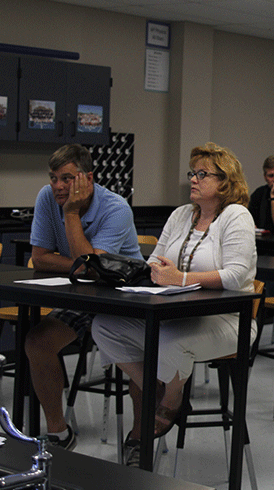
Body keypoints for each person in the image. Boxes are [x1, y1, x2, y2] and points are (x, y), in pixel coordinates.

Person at [91, 143, 257, 466]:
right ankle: (159, 389)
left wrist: (179, 278)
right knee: (105, 326)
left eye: (202, 174)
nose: (193, 179)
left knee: (167, 342)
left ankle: (172, 397)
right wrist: (159, 273)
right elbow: (154, 260)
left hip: (226, 321)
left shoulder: (237, 216)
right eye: (192, 173)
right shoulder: (181, 214)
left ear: (225, 181)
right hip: (175, 313)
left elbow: (237, 276)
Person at [25, 144, 142, 451]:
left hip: (125, 299)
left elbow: (93, 268)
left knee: (144, 358)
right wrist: (83, 266)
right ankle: (58, 434)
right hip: (83, 295)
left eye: (67, 178)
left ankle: (139, 441)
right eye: (53, 178)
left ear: (88, 178)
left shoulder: (116, 208)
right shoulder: (46, 198)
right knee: (37, 342)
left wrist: (72, 213)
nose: (59, 186)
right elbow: (41, 258)